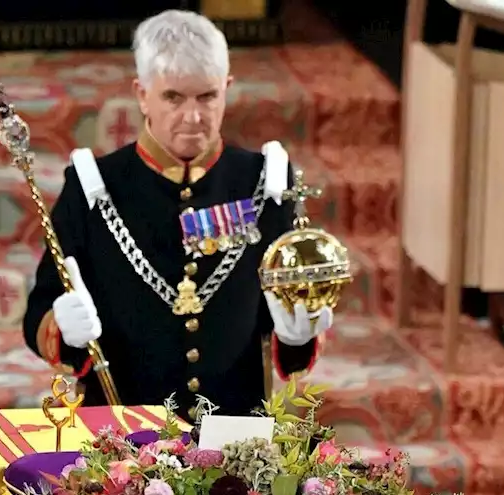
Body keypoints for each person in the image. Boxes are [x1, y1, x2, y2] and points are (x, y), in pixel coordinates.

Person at [22, 9, 334, 419]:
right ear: (141, 93)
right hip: (123, 431)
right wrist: (64, 330)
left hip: (235, 428)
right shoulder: (93, 186)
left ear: (228, 88)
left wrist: (297, 335)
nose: (193, 116)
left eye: (207, 97)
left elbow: (287, 338)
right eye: (173, 97)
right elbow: (38, 316)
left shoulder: (265, 183)